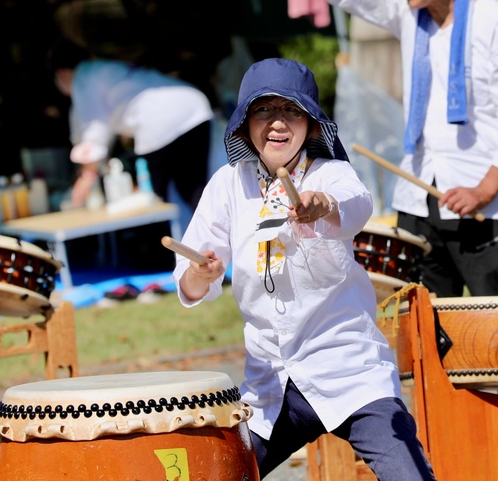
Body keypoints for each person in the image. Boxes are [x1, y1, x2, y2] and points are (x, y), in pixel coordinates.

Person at [244, 0, 498, 299]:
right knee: (423, 326)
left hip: (484, 205)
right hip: (418, 197)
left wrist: (484, 190)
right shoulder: (407, 9)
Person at [173, 57, 435, 480]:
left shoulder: (332, 174)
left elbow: (354, 207)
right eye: (263, 110)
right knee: (219, 475)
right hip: (270, 383)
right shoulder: (227, 184)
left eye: (291, 110)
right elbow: (190, 274)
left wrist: (321, 206)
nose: (277, 122)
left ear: (312, 125)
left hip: (348, 369)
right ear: (243, 125)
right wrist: (200, 275)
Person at [48, 40, 213, 210]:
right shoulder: (100, 70)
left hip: (161, 122)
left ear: (60, 73)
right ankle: (219, 233)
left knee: (160, 200)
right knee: (194, 190)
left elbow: (94, 130)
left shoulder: (83, 77)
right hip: (194, 106)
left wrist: (86, 177)